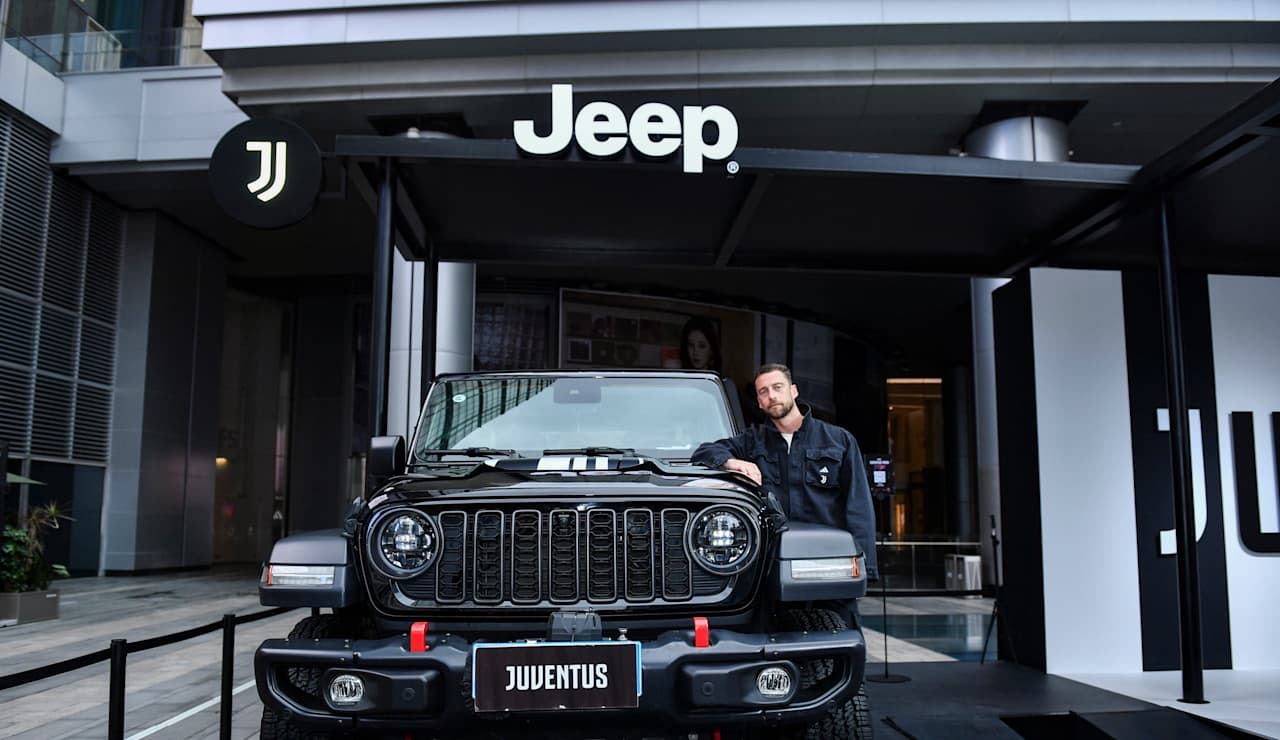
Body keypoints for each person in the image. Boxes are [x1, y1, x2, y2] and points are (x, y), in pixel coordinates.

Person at [692, 363, 878, 584]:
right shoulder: (752, 441)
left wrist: (866, 567)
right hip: (771, 567)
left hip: (829, 563)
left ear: (793, 390)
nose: (772, 395)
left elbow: (859, 507)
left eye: (777, 387)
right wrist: (733, 462)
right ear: (759, 402)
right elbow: (703, 452)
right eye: (763, 391)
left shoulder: (838, 440)